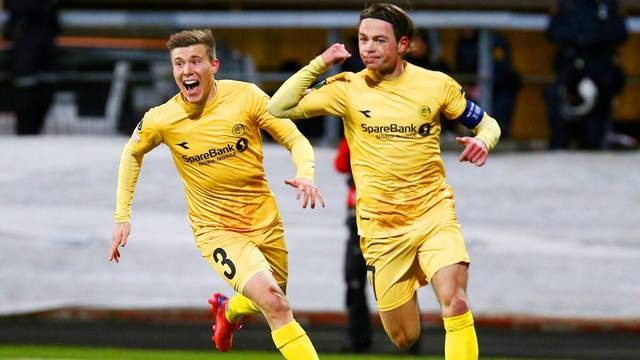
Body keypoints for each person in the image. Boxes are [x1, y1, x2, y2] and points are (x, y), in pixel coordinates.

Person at [268, 4, 501, 359]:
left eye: (379, 40)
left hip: (432, 214)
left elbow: (488, 124)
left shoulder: (436, 85)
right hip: (380, 228)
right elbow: (279, 107)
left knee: (454, 302)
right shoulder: (347, 88)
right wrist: (321, 63)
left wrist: (483, 141)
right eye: (363, 39)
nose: (369, 48)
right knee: (403, 337)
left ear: (403, 44)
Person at [108, 29, 324, 359]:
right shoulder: (162, 118)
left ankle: (228, 311)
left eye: (195, 61)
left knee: (270, 299)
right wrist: (122, 215)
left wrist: (305, 174)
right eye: (178, 63)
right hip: (217, 230)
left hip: (265, 222)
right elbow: (131, 153)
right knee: (276, 304)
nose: (186, 71)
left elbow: (295, 139)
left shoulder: (247, 97)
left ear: (214, 65)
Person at [545, 0, 630, 149]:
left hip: (599, 67)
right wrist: (579, 38)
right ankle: (559, 145)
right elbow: (553, 32)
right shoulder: (566, 5)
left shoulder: (608, 5)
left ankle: (594, 142)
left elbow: (621, 33)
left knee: (595, 126)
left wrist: (594, 38)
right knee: (556, 100)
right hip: (571, 66)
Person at [334, 138, 372, 353]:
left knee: (400, 283)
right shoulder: (353, 135)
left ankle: (410, 339)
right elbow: (340, 165)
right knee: (354, 282)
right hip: (356, 224)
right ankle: (359, 339)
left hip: (382, 220)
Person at [4, 0, 59, 135]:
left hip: (46, 31)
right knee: (25, 81)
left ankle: (35, 126)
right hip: (24, 31)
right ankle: (26, 128)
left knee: (47, 81)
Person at [455, 29, 521, 139]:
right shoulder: (463, 43)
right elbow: (461, 67)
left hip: (500, 87)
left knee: (499, 114)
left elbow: (503, 68)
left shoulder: (496, 41)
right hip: (474, 86)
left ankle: (499, 139)